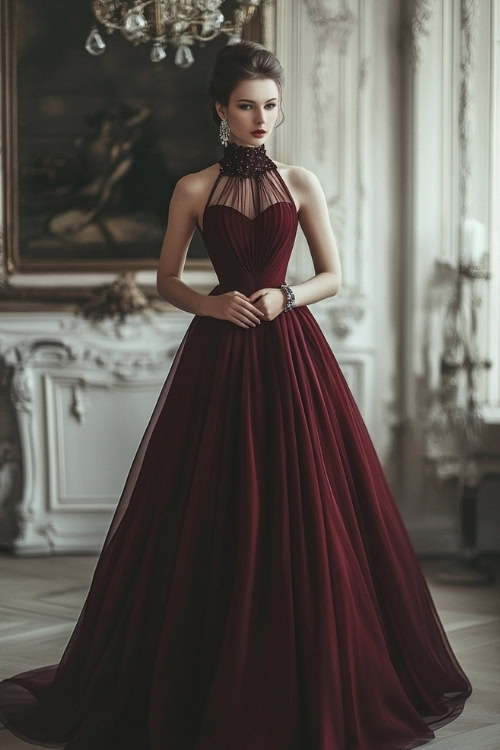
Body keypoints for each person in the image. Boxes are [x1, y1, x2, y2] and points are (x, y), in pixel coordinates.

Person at [0, 41, 472, 750]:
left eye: (271, 105)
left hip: (289, 351)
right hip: (219, 355)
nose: (261, 118)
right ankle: (207, 666)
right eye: (247, 105)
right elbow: (165, 279)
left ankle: (305, 664)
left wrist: (285, 294)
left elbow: (333, 276)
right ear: (220, 109)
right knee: (210, 504)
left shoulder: (301, 181)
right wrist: (211, 305)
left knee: (303, 502)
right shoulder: (191, 187)